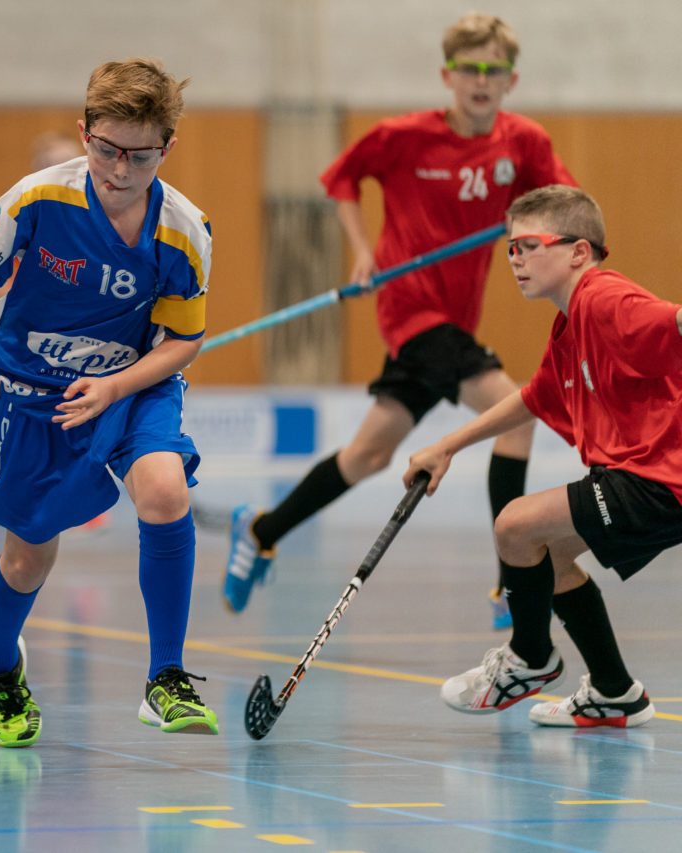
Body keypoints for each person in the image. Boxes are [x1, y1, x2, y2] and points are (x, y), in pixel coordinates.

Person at [224, 14, 575, 630]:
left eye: (494, 69)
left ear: (511, 80)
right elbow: (340, 179)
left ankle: (263, 528)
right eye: (470, 67)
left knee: (367, 455)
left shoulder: (524, 143)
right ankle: (509, 585)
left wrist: (528, 228)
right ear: (448, 75)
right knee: (518, 415)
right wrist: (362, 250)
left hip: (455, 319)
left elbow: (564, 208)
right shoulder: (405, 137)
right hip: (411, 309)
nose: (481, 79)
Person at [0, 57, 217, 746]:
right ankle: (2, 667)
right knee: (28, 558)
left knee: (164, 490)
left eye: (140, 156)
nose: (119, 169)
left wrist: (118, 386)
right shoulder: (39, 198)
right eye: (105, 148)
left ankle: (166, 677)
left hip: (133, 384)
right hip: (38, 396)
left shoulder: (185, 230)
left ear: (167, 148)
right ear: (84, 129)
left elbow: (182, 340)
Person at [406, 184, 671, 728]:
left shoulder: (604, 298)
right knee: (548, 553)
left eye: (527, 245)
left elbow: (669, 322)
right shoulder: (570, 326)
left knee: (515, 526)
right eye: (509, 249)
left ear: (578, 251)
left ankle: (529, 659)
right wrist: (445, 446)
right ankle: (615, 692)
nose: (514, 260)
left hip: (658, 481)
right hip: (642, 480)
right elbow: (532, 398)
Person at [0, 129, 85, 521]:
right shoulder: (32, 207)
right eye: (55, 164)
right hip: (30, 353)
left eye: (72, 160)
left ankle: (77, 497)